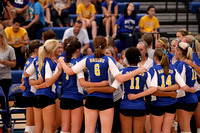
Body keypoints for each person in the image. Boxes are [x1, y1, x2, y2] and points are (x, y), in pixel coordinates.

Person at [58, 36, 146, 132]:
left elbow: (70, 72)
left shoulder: (87, 59)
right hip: (106, 99)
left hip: (92, 98)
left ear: (94, 45)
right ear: (106, 46)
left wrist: (62, 61)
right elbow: (120, 78)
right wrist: (137, 71)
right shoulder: (108, 59)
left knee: (88, 131)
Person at [150, 48, 193, 133]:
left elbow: (153, 90)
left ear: (155, 58)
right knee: (166, 131)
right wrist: (191, 90)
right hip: (171, 104)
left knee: (156, 131)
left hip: (157, 104)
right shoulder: (173, 69)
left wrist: (163, 89)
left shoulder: (153, 69)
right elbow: (182, 86)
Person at [25, 39, 59, 133]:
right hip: (47, 96)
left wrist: (37, 83)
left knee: (38, 129)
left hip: (37, 97)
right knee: (48, 130)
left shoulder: (36, 59)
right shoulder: (48, 61)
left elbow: (26, 73)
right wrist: (58, 72)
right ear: (52, 50)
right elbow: (48, 81)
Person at [20, 40, 42, 133]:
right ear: (37, 50)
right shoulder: (35, 61)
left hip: (27, 93)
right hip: (32, 93)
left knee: (31, 125)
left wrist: (23, 84)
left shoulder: (28, 60)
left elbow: (23, 78)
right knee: (31, 125)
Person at [175, 42, 198, 132]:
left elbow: (180, 84)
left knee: (185, 129)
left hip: (185, 99)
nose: (174, 53)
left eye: (176, 51)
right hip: (192, 99)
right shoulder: (191, 63)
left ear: (179, 52)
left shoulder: (182, 65)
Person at [0, 29, 16, 132]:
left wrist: (5, 62)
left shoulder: (10, 49)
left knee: (4, 101)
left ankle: (7, 123)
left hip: (5, 77)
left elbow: (14, 64)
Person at [104, 46, 123, 133]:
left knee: (116, 124)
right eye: (104, 53)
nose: (105, 55)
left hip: (116, 97)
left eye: (107, 53)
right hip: (104, 96)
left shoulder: (119, 66)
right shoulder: (101, 65)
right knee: (105, 124)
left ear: (113, 55)